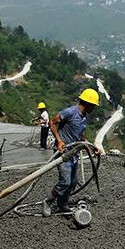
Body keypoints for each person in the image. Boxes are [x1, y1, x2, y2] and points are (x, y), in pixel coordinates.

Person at [42, 89, 101, 217]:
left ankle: (62, 205)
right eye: (94, 106)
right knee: (65, 182)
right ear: (88, 103)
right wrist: (59, 141)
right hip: (63, 152)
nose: (94, 109)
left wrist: (92, 147)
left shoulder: (84, 117)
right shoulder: (70, 112)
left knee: (73, 182)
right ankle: (47, 201)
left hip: (73, 153)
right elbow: (52, 122)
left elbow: (80, 135)